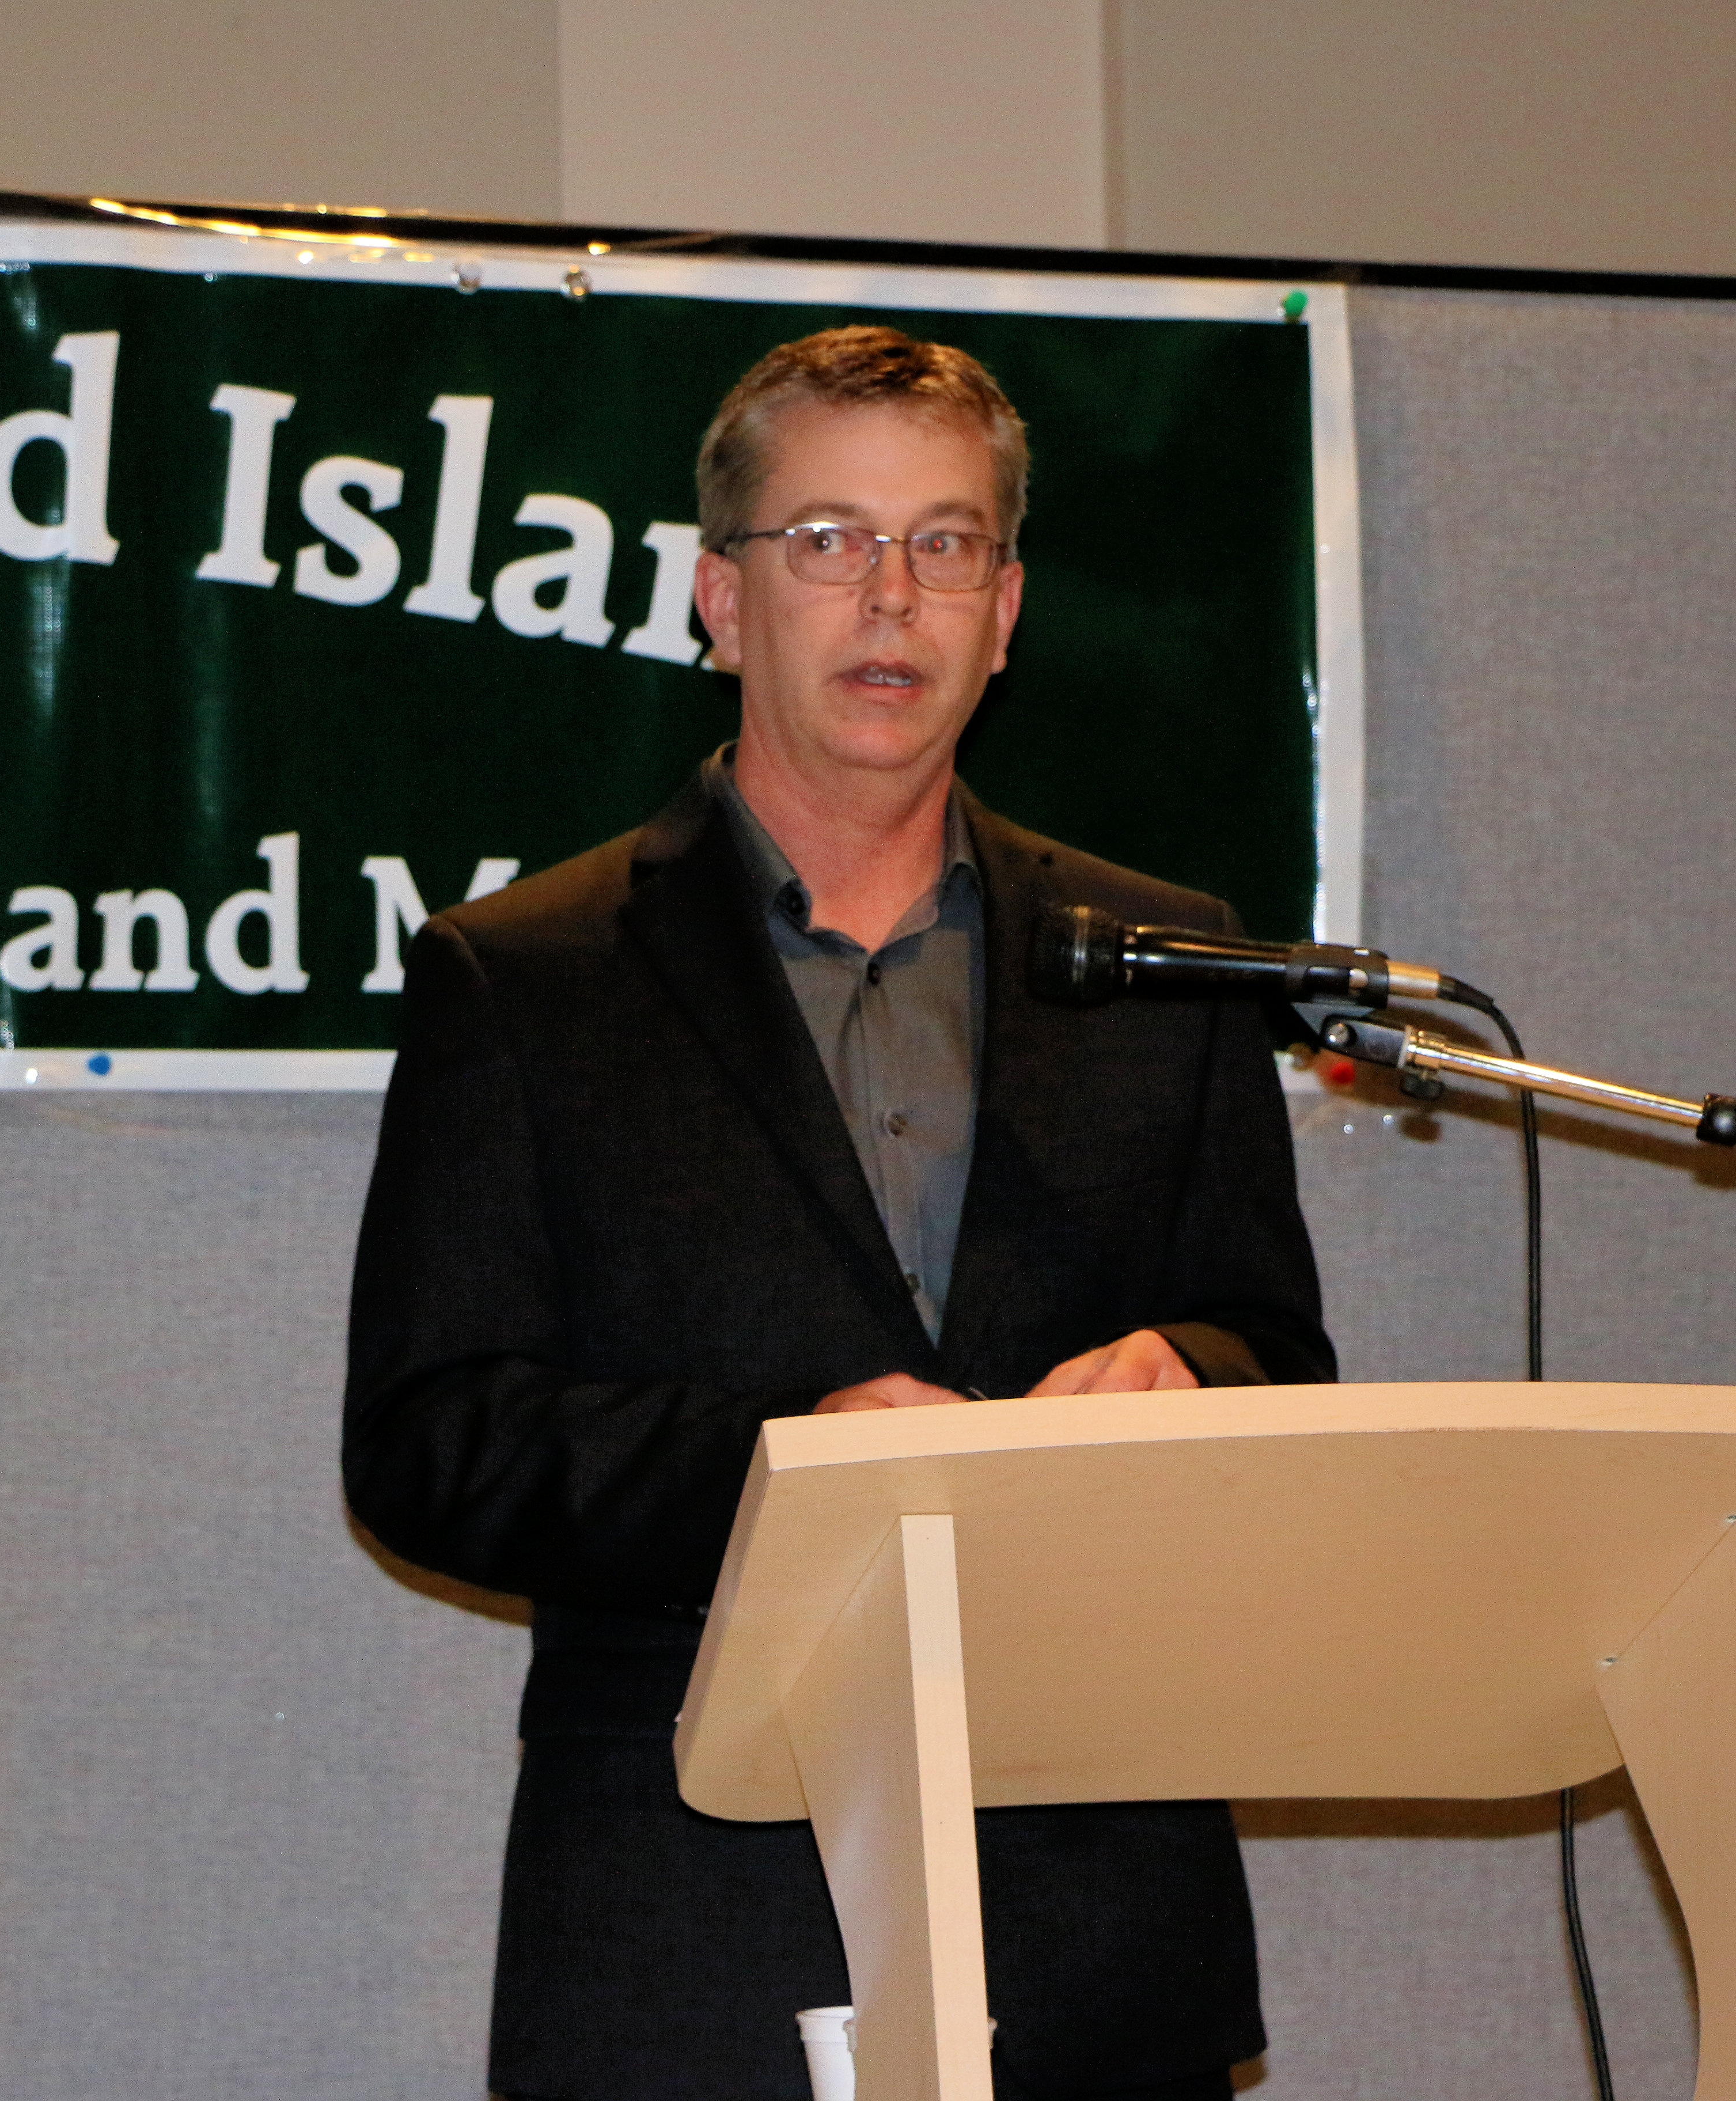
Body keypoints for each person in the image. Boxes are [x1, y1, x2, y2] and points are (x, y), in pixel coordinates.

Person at [344, 326, 1337, 2101]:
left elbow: (1275, 1350)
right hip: (689, 1920)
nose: (892, 597)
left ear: (1005, 611)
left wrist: (1192, 1374)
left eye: (944, 544)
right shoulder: (527, 977)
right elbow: (432, 1441)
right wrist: (790, 1463)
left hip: (1097, 1929)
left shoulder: (1159, 962)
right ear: (722, 599)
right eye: (830, 541)